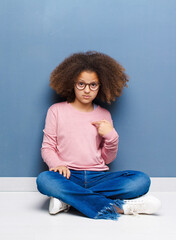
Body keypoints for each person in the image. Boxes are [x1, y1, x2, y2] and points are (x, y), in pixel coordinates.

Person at [36, 51, 161, 220]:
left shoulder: (104, 115)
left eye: (93, 85)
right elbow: (47, 147)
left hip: (99, 177)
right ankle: (122, 207)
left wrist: (111, 136)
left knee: (141, 180)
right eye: (81, 84)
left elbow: (107, 158)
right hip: (68, 176)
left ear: (100, 86)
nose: (87, 90)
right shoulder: (56, 111)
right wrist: (57, 163)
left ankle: (68, 201)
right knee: (44, 180)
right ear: (72, 83)